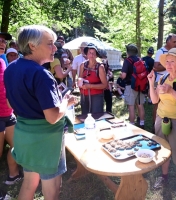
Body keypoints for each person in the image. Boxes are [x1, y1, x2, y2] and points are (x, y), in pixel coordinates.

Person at [4, 25, 76, 199]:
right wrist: (66, 102)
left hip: (25, 136)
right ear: (32, 46)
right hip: (47, 140)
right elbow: (52, 117)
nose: (55, 48)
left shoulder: (11, 68)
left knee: (29, 183)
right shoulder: (41, 74)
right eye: (50, 43)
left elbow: (9, 102)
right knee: (52, 188)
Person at [149, 48, 176, 197]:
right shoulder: (162, 78)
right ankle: (164, 177)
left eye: (172, 61)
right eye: (166, 61)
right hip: (161, 119)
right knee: (163, 150)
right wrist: (151, 83)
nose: (168, 64)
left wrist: (171, 92)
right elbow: (155, 100)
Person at [0, 52, 22, 186]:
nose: (2, 42)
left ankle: (14, 175)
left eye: (3, 40)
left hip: (8, 113)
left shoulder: (2, 61)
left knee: (18, 145)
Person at [152, 34, 176, 131]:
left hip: (172, 81)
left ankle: (168, 123)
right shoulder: (161, 51)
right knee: (157, 103)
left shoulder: (174, 52)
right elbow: (155, 67)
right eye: (174, 42)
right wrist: (169, 66)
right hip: (161, 81)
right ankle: (156, 126)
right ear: (168, 42)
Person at [78, 43, 108, 114]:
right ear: (87, 54)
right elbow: (80, 78)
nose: (91, 55)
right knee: (85, 117)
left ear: (96, 55)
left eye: (93, 53)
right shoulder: (82, 65)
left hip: (96, 96)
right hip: (84, 95)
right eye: (90, 53)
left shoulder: (100, 67)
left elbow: (105, 85)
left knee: (96, 117)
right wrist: (79, 83)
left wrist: (90, 86)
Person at [121, 44, 145, 128]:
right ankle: (142, 123)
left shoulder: (127, 61)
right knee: (140, 105)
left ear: (128, 52)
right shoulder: (140, 60)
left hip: (130, 86)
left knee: (131, 106)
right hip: (140, 85)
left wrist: (120, 77)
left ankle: (132, 125)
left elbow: (124, 75)